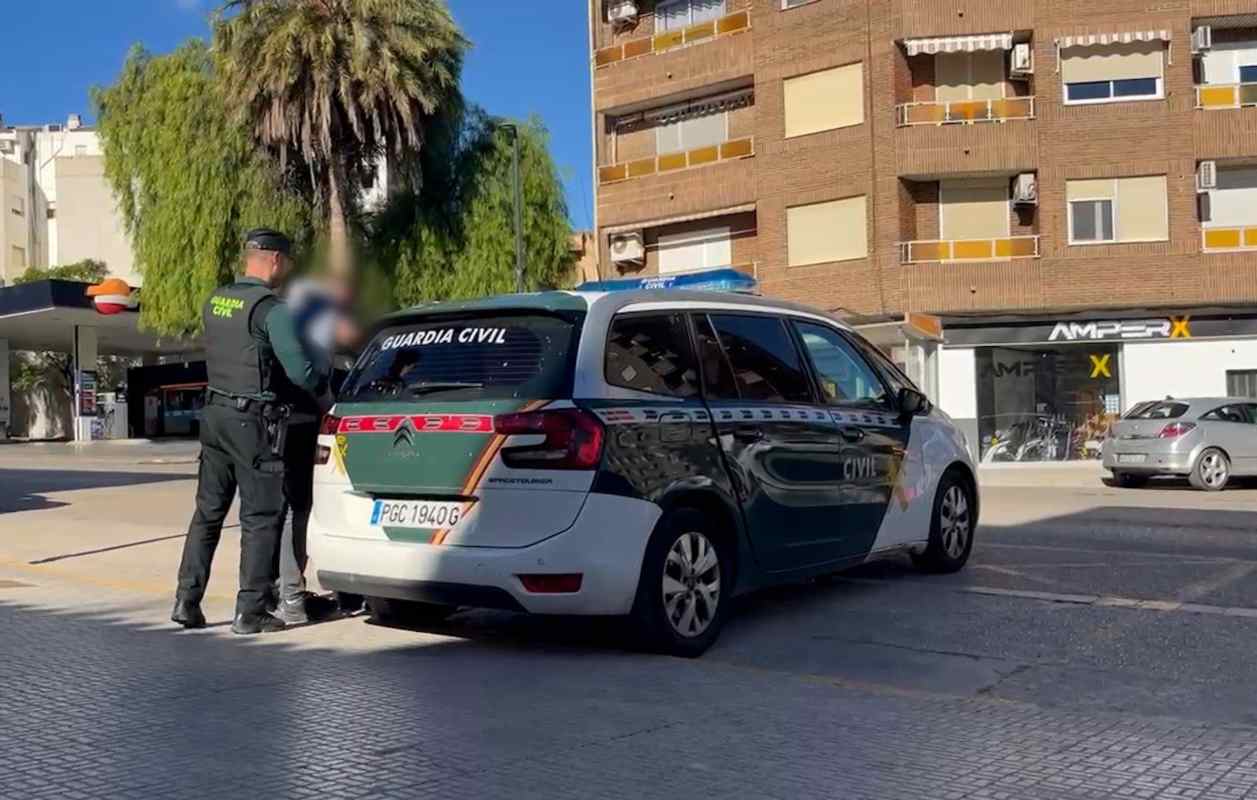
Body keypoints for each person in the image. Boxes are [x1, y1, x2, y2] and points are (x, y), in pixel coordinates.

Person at [171, 229, 332, 635]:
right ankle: (251, 611)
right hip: (252, 423)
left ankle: (187, 601)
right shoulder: (272, 310)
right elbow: (301, 372)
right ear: (275, 259)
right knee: (262, 516)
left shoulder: (216, 300)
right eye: (288, 262)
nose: (287, 269)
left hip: (214, 416)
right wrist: (325, 386)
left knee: (208, 513)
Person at [272, 275, 357, 624]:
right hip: (304, 429)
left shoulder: (281, 328)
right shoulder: (313, 335)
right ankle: (292, 597)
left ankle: (282, 592)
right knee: (299, 512)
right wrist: (334, 410)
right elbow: (317, 385)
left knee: (279, 513)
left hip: (278, 428)